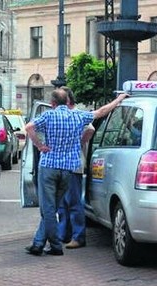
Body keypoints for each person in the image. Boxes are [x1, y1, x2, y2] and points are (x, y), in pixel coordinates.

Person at [25, 88, 129, 256]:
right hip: (68, 168)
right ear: (67, 101)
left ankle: (55, 245)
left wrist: (40, 145)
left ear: (52, 103)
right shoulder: (78, 116)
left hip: (49, 166)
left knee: (48, 209)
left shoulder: (48, 116)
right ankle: (38, 243)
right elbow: (101, 112)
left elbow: (29, 127)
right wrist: (119, 100)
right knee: (55, 206)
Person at [56, 87, 95, 249]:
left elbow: (90, 129)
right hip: (64, 164)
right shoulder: (67, 114)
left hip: (74, 164)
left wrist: (78, 142)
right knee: (63, 203)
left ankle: (78, 236)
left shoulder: (77, 114)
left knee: (73, 201)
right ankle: (64, 234)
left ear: (67, 100)